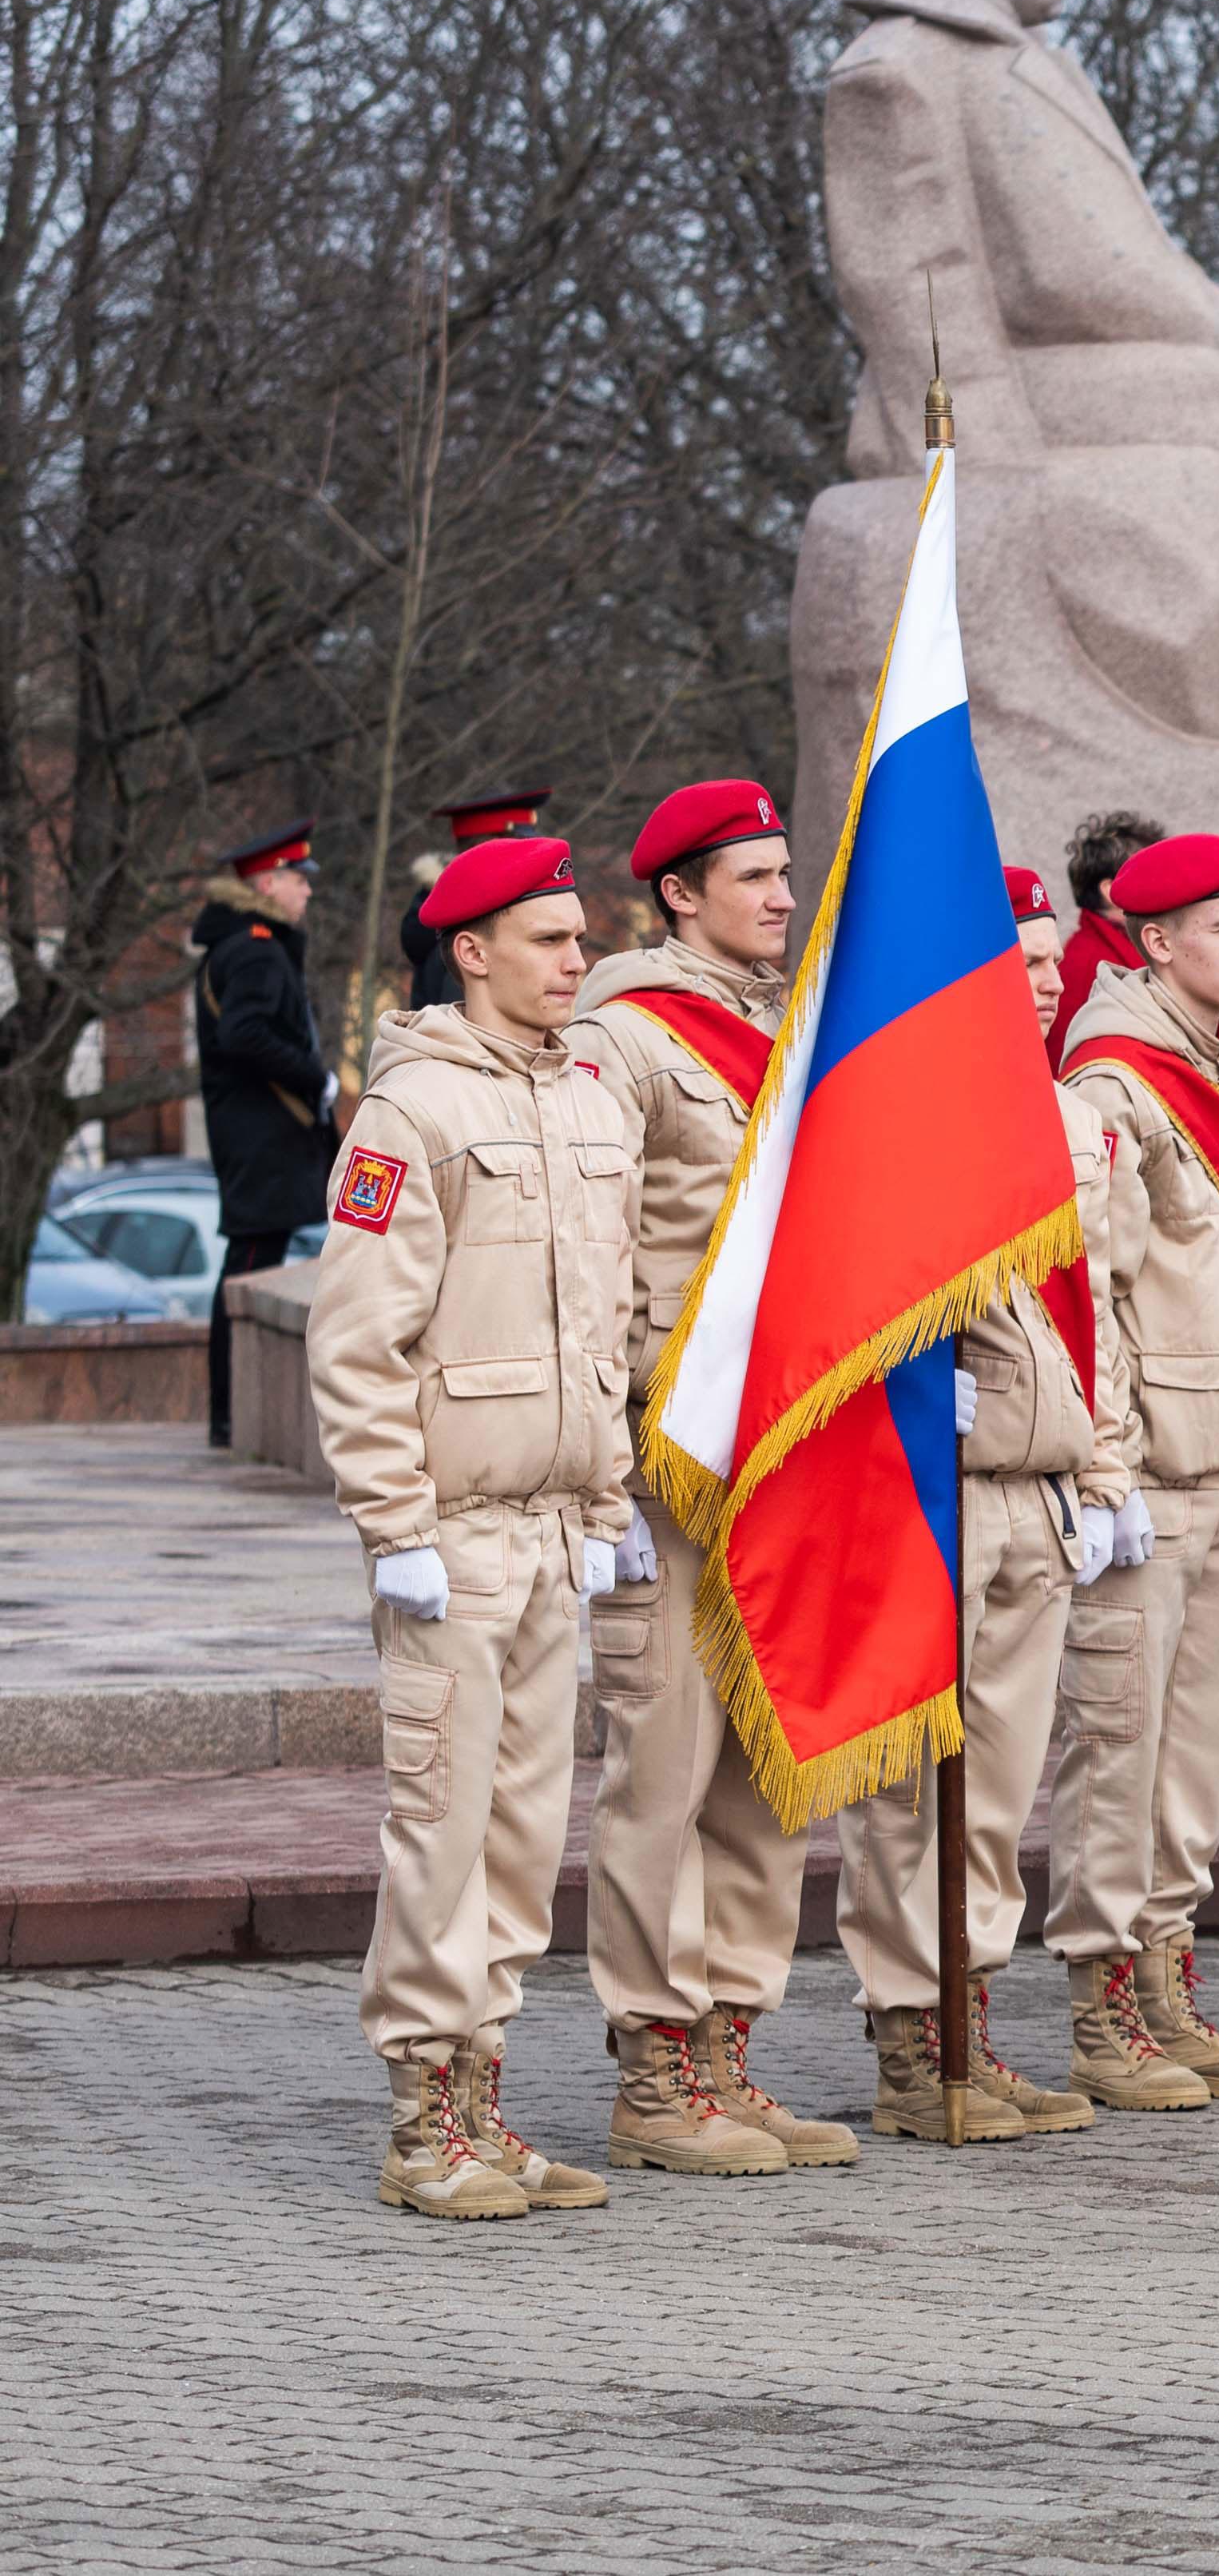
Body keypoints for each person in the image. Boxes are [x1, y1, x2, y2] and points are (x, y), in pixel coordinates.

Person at [307, 832, 639, 2219]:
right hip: (454, 1532)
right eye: (553, 940)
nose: (578, 961)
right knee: (439, 1830)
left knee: (518, 1837)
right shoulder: (415, 1112)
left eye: (580, 938)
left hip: (556, 1527)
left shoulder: (588, 1103)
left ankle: (482, 2101)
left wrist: (609, 1500)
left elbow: (603, 1330)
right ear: (474, 950)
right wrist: (396, 1525)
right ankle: (421, 2121)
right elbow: (357, 1340)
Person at [569, 778, 854, 2174]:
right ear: (680, 893)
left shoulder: (785, 1029)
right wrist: (605, 1463)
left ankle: (732, 2046)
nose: (782, 900)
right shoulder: (626, 1036)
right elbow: (596, 1257)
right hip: (675, 1447)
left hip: (789, 1449)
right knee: (664, 1772)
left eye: (785, 877)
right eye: (753, 879)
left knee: (764, 1772)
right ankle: (653, 2066)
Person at [834, 868, 1130, 2136]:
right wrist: (904, 1386)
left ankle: (972, 2010)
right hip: (926, 1489)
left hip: (1035, 1492)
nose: (1055, 972)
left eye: (1059, 952)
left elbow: (1092, 1309)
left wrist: (1105, 1469)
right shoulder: (889, 1113)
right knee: (911, 1786)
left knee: (1002, 1790)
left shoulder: (1059, 1119)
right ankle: (912, 2038)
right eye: (1025, 955)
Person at [1051, 831, 1219, 2102]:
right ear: (1154, 941)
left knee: (1201, 1748)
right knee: (1122, 1747)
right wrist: (1102, 1470)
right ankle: (1104, 2003)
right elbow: (1088, 1290)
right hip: (1150, 1465)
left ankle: (1164, 1976)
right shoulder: (1113, 1076)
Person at [193, 821, 334, 1452]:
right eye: (299, 881)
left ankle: (230, 1413)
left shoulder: (242, 944)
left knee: (250, 1265)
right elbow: (245, 1035)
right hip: (263, 1138)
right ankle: (232, 1414)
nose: (306, 894)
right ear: (269, 882)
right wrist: (318, 1078)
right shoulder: (254, 949)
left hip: (256, 1136)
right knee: (250, 1268)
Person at [394, 788, 552, 1009]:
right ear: (483, 854)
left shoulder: (463, 916)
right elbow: (469, 1029)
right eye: (515, 849)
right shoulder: (466, 930)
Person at [1048, 806, 1163, 1059]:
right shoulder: (1086, 964)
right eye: (1150, 874)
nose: (1164, 884)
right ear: (1110, 890)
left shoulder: (1133, 946)